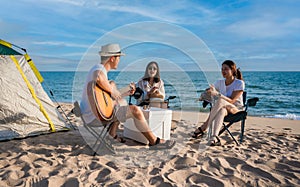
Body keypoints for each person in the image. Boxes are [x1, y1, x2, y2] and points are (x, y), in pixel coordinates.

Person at [80, 43, 175, 149]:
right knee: (135, 110)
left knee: (119, 102)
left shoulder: (98, 69)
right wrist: (113, 91)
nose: (119, 60)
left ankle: (112, 136)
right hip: (96, 117)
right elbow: (98, 77)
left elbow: (107, 99)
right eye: (118, 57)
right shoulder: (99, 69)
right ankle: (154, 141)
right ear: (112, 58)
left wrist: (125, 93)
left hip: (91, 115)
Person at [192, 60, 245, 146]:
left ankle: (204, 126)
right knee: (222, 110)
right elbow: (211, 91)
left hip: (235, 109)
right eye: (222, 69)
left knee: (220, 100)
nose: (223, 71)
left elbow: (232, 101)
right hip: (224, 109)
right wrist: (208, 92)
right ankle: (214, 137)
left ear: (233, 70)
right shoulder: (219, 82)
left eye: (226, 69)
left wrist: (218, 94)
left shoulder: (239, 83)